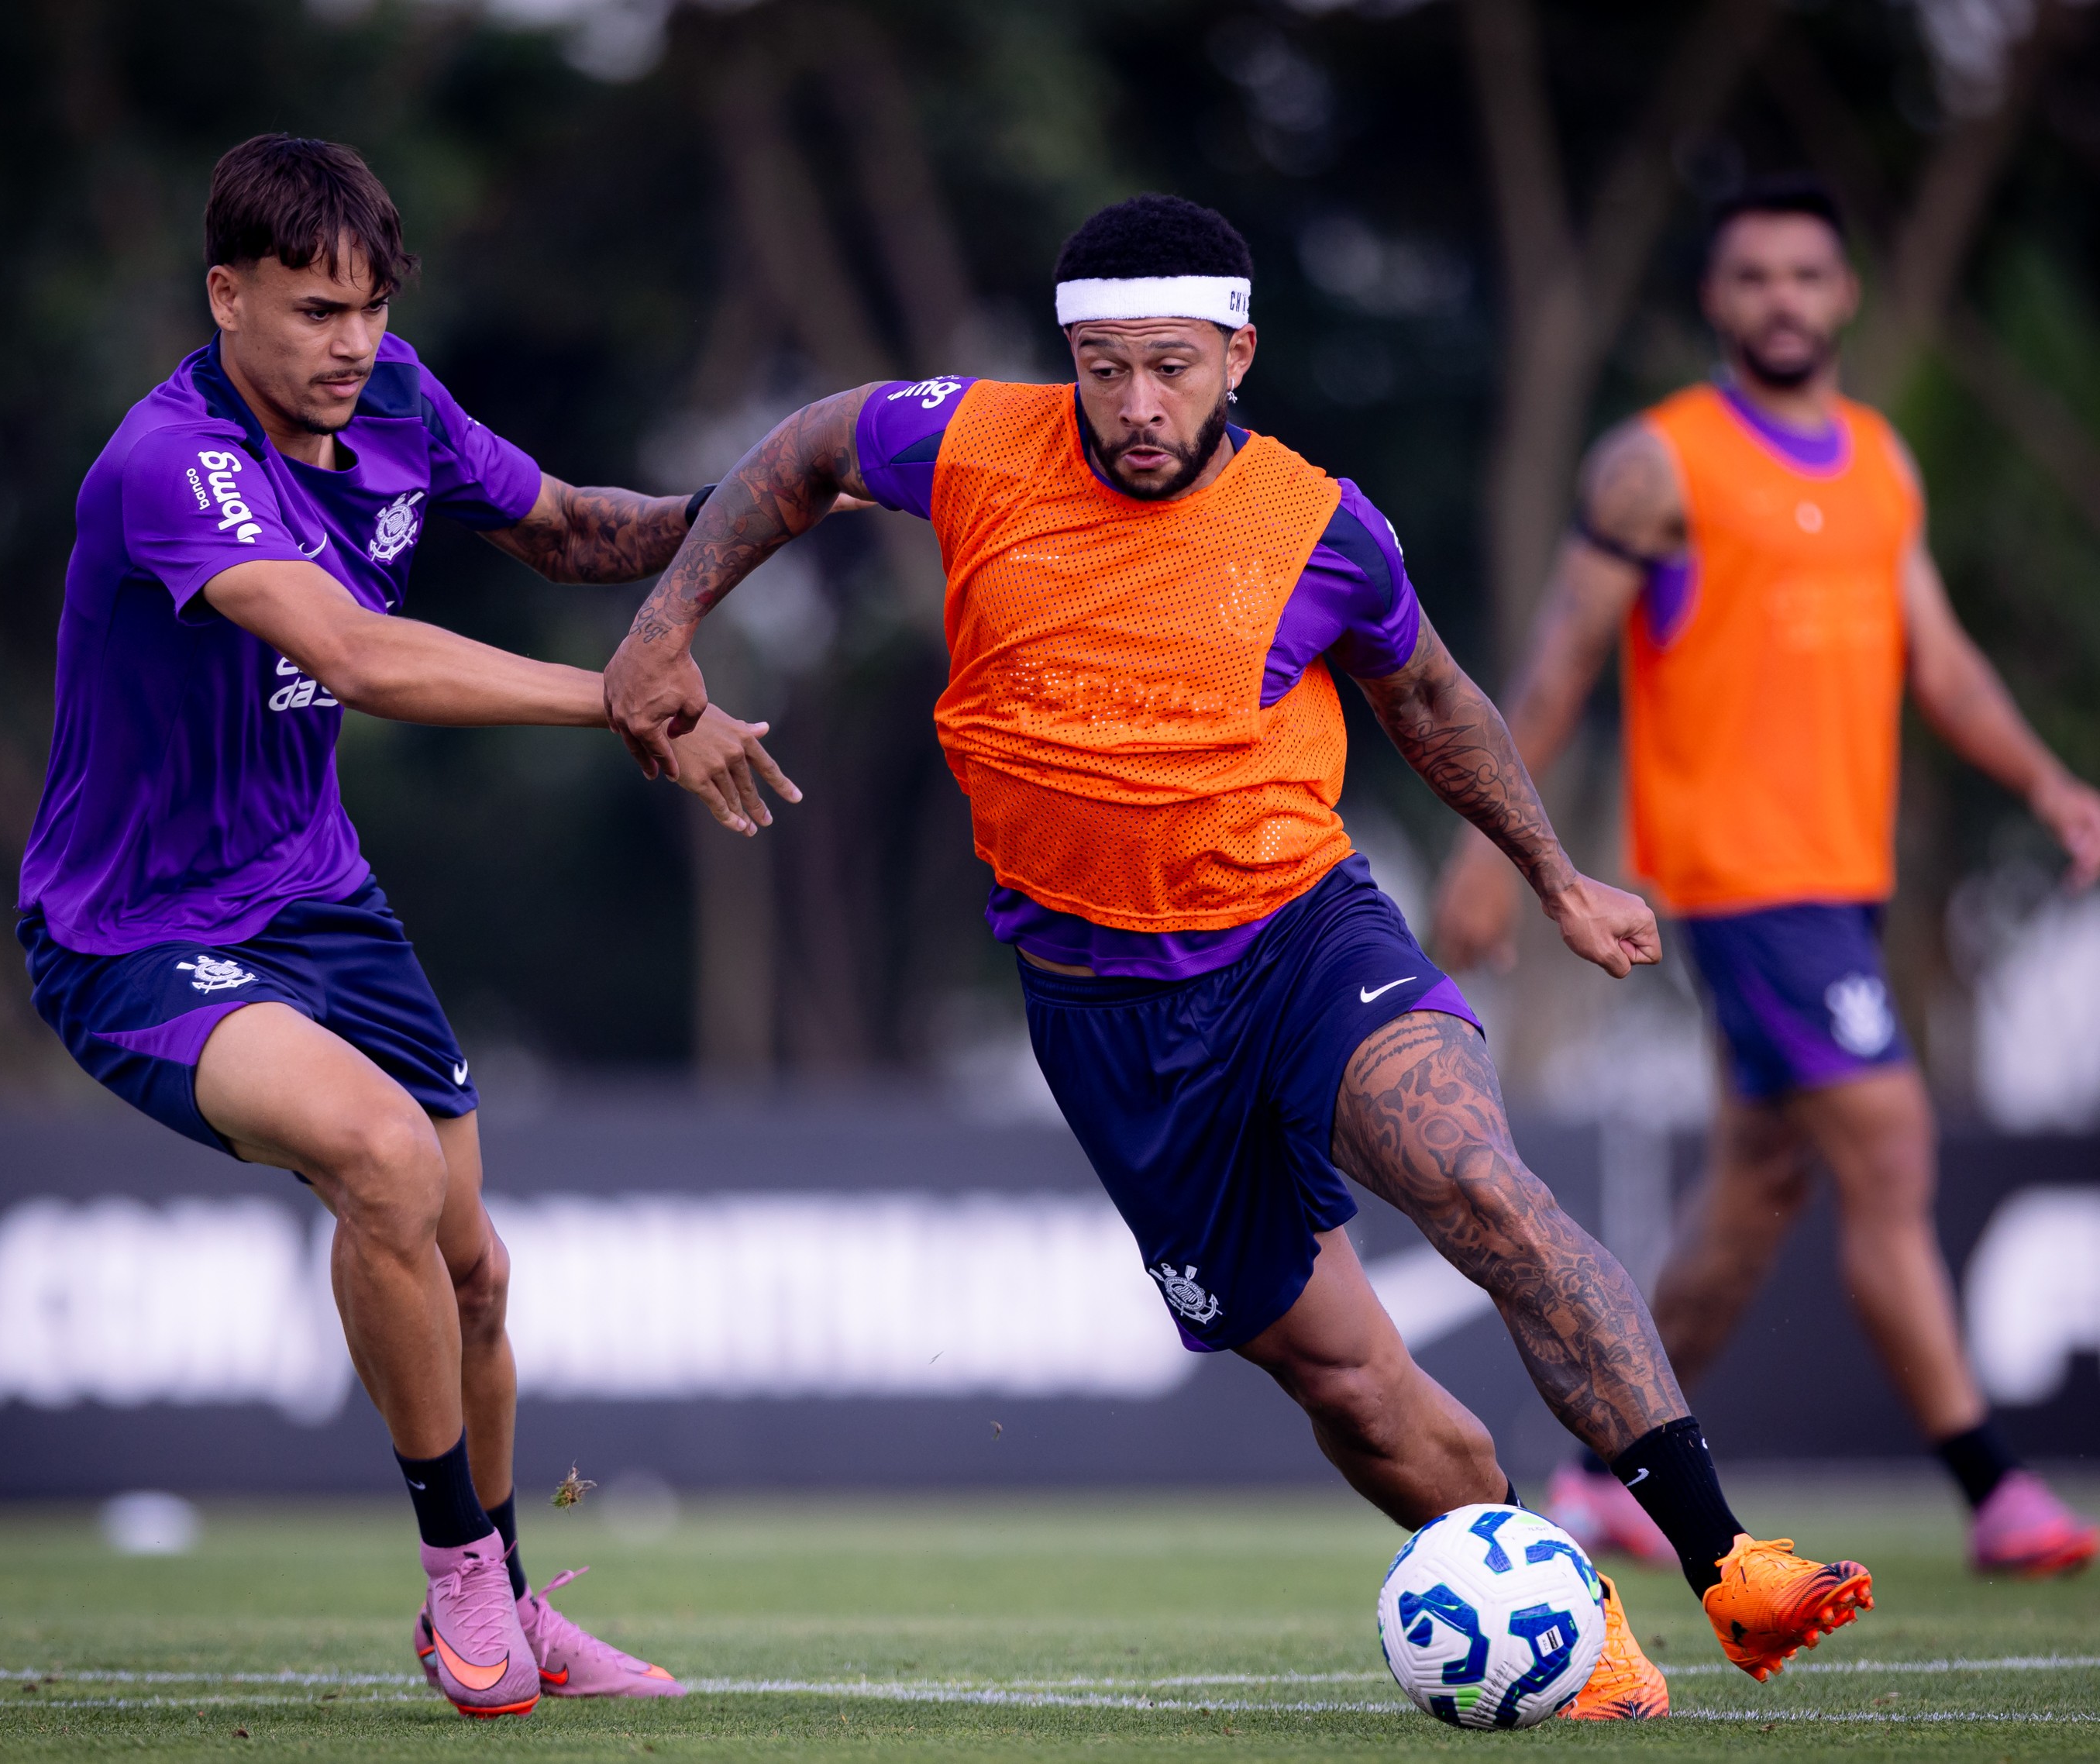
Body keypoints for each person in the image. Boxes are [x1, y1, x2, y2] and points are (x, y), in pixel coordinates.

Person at [603, 192, 1876, 1722]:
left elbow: (1437, 704)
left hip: (1299, 936)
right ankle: (1561, 1613)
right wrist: (667, 626)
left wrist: (1553, 875)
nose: (1139, 405)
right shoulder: (964, 444)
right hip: (1106, 1016)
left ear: (1239, 352)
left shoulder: (1319, 527)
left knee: (1482, 1187)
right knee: (1347, 1383)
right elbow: (804, 448)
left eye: (1176, 367)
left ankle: (1729, 1562)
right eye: (1108, 367)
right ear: (1067, 357)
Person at [16, 135, 798, 1718]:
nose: (348, 343)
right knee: (376, 1154)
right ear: (225, 296)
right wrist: (628, 700)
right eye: (312, 309)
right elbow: (363, 661)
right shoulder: (172, 463)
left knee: (477, 1273)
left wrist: (768, 499)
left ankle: (512, 1593)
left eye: (369, 307)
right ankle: (460, 1594)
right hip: (134, 930)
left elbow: (575, 529)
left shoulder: (394, 402)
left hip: (321, 896)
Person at [1430, 175, 2100, 1580]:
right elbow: (1556, 667)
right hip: (1743, 883)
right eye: (1753, 279)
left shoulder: (1879, 463)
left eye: (1807, 275)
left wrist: (2048, 785)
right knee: (1894, 1151)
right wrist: (1494, 855)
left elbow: (1947, 662)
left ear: (1844, 294)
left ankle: (1606, 1476)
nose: (1782, 301)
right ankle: (1992, 1490)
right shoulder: (1658, 464)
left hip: (1840, 880)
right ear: (1715, 303)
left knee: (1753, 1202)